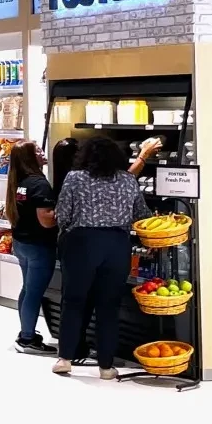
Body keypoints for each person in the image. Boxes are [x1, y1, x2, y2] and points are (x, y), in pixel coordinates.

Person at [52, 135, 158, 378]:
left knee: (73, 301)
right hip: (117, 245)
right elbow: (142, 214)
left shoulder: (75, 178)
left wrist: (67, 233)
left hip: (81, 242)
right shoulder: (128, 180)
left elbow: (63, 214)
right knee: (109, 306)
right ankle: (106, 366)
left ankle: (65, 358)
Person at [4, 141, 57, 354]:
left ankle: (26, 332)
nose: (42, 153)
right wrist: (64, 211)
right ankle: (27, 338)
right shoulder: (40, 184)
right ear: (29, 158)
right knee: (34, 292)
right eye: (37, 151)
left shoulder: (19, 182)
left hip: (21, 243)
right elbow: (46, 220)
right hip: (39, 246)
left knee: (27, 289)